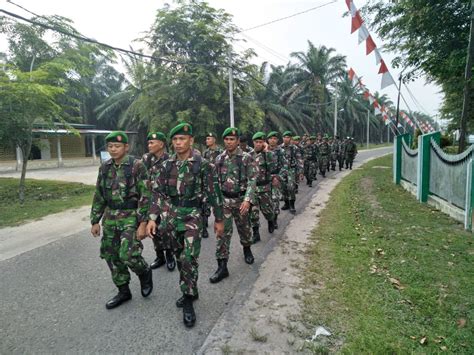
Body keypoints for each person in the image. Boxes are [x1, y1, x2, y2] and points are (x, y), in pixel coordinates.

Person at [146, 123, 224, 328]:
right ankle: (191, 287)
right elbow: (157, 193)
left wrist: (219, 219)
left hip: (193, 216)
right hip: (172, 217)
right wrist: (153, 218)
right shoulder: (166, 165)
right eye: (175, 139)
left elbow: (214, 193)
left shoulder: (204, 165)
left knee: (189, 258)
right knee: (181, 257)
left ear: (191, 140)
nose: (179, 143)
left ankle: (188, 300)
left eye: (182, 139)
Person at [90, 131, 153, 310]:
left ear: (126, 147)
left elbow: (145, 195)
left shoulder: (137, 166)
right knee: (111, 255)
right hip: (110, 217)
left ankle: (144, 271)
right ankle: (123, 291)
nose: (113, 149)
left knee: (128, 254)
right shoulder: (105, 167)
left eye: (117, 146)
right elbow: (99, 194)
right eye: (110, 146)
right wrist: (95, 220)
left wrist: (143, 222)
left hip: (130, 215)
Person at [210, 127, 257, 284]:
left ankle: (247, 249)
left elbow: (252, 179)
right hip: (225, 203)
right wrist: (215, 204)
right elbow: (215, 182)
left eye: (232, 139)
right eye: (227, 139)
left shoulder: (246, 158)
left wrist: (247, 199)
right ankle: (222, 267)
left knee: (244, 228)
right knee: (223, 234)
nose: (229, 142)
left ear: (238, 141)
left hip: (241, 200)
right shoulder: (219, 159)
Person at [141, 131, 175, 271]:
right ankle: (159, 255)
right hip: (151, 198)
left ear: (161, 144)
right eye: (148, 142)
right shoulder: (146, 159)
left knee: (166, 228)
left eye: (152, 143)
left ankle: (170, 255)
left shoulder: (170, 159)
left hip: (167, 199)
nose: (149, 145)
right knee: (153, 228)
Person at [249, 132, 277, 243]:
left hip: (264, 188)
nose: (259, 144)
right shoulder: (249, 155)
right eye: (257, 142)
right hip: (253, 189)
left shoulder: (268, 154)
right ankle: (256, 233)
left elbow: (272, 167)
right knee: (253, 213)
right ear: (253, 142)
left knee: (268, 211)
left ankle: (271, 220)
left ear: (264, 143)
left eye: (261, 142)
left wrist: (266, 152)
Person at [202, 132, 223, 239]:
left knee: (217, 202)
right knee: (205, 202)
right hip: (207, 180)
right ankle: (204, 225)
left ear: (214, 140)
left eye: (209, 138)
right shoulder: (205, 153)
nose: (207, 140)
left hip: (217, 180)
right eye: (206, 139)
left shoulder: (220, 152)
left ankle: (219, 220)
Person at [266, 131, 288, 230]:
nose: (273, 140)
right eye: (271, 138)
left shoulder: (281, 151)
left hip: (276, 178)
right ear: (268, 140)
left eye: (275, 139)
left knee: (275, 200)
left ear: (277, 140)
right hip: (265, 180)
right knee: (266, 202)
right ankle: (269, 219)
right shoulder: (263, 151)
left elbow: (285, 165)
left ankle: (274, 220)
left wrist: (278, 177)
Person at [281, 131, 303, 214]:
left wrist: (301, 171)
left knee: (291, 187)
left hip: (291, 170)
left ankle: (292, 205)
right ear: (282, 138)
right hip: (282, 171)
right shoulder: (279, 148)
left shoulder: (294, 148)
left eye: (288, 137)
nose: (286, 139)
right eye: (285, 137)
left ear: (290, 139)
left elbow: (299, 159)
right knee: (283, 188)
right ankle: (286, 203)